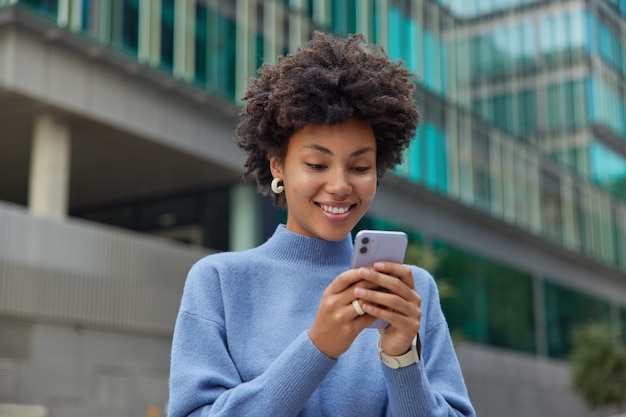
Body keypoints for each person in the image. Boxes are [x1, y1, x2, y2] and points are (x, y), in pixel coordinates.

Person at [168, 31, 475, 417]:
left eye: (360, 167)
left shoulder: (410, 292)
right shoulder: (219, 282)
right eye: (316, 164)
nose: (340, 185)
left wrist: (402, 358)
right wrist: (319, 346)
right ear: (277, 165)